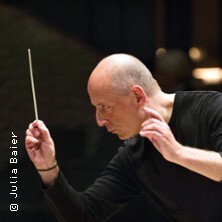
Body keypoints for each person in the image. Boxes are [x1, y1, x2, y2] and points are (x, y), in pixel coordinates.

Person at [25, 54, 222, 222]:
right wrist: (48, 169)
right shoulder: (134, 155)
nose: (100, 120)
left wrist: (177, 153)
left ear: (138, 96)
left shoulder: (213, 109)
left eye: (104, 107)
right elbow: (84, 215)